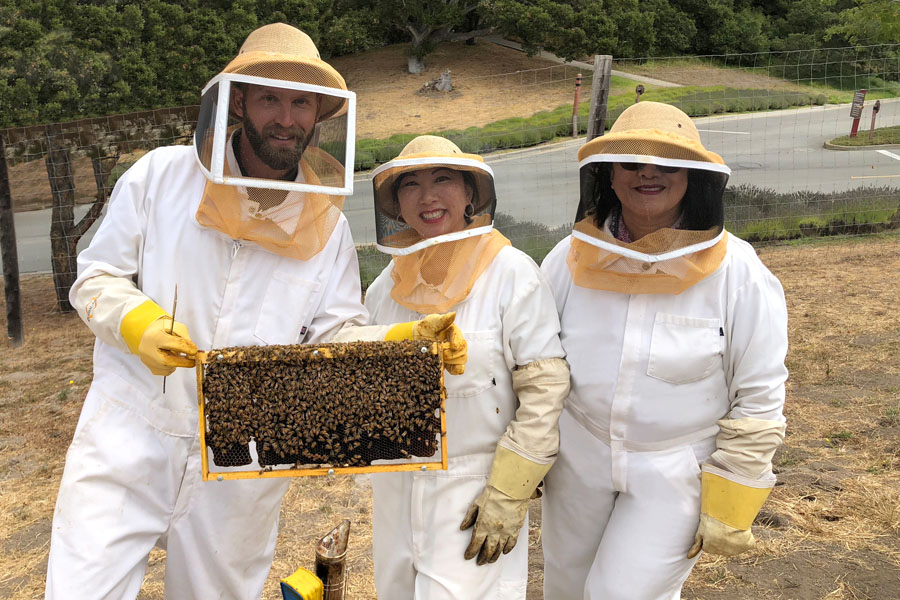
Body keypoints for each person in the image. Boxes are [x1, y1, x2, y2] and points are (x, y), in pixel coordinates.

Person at [45, 24, 465, 600]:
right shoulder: (161, 176)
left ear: (320, 113)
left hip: (243, 455)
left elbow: (330, 338)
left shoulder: (330, 227)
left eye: (301, 102)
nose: (286, 118)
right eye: (270, 97)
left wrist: (401, 341)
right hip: (130, 429)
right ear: (237, 100)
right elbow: (96, 275)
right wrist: (133, 322)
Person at [539, 101, 788, 599]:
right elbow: (536, 363)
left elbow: (760, 390)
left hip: (676, 467)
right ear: (609, 175)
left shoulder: (739, 273)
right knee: (565, 588)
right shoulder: (565, 260)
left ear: (693, 176)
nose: (647, 173)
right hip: (578, 456)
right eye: (631, 162)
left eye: (667, 163)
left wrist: (734, 489)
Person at [357, 135, 571, 599]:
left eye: (443, 180)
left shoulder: (511, 273)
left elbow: (546, 388)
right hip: (395, 486)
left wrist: (510, 490)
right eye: (410, 185)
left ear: (471, 193)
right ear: (396, 203)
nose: (428, 197)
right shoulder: (382, 291)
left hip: (476, 490)